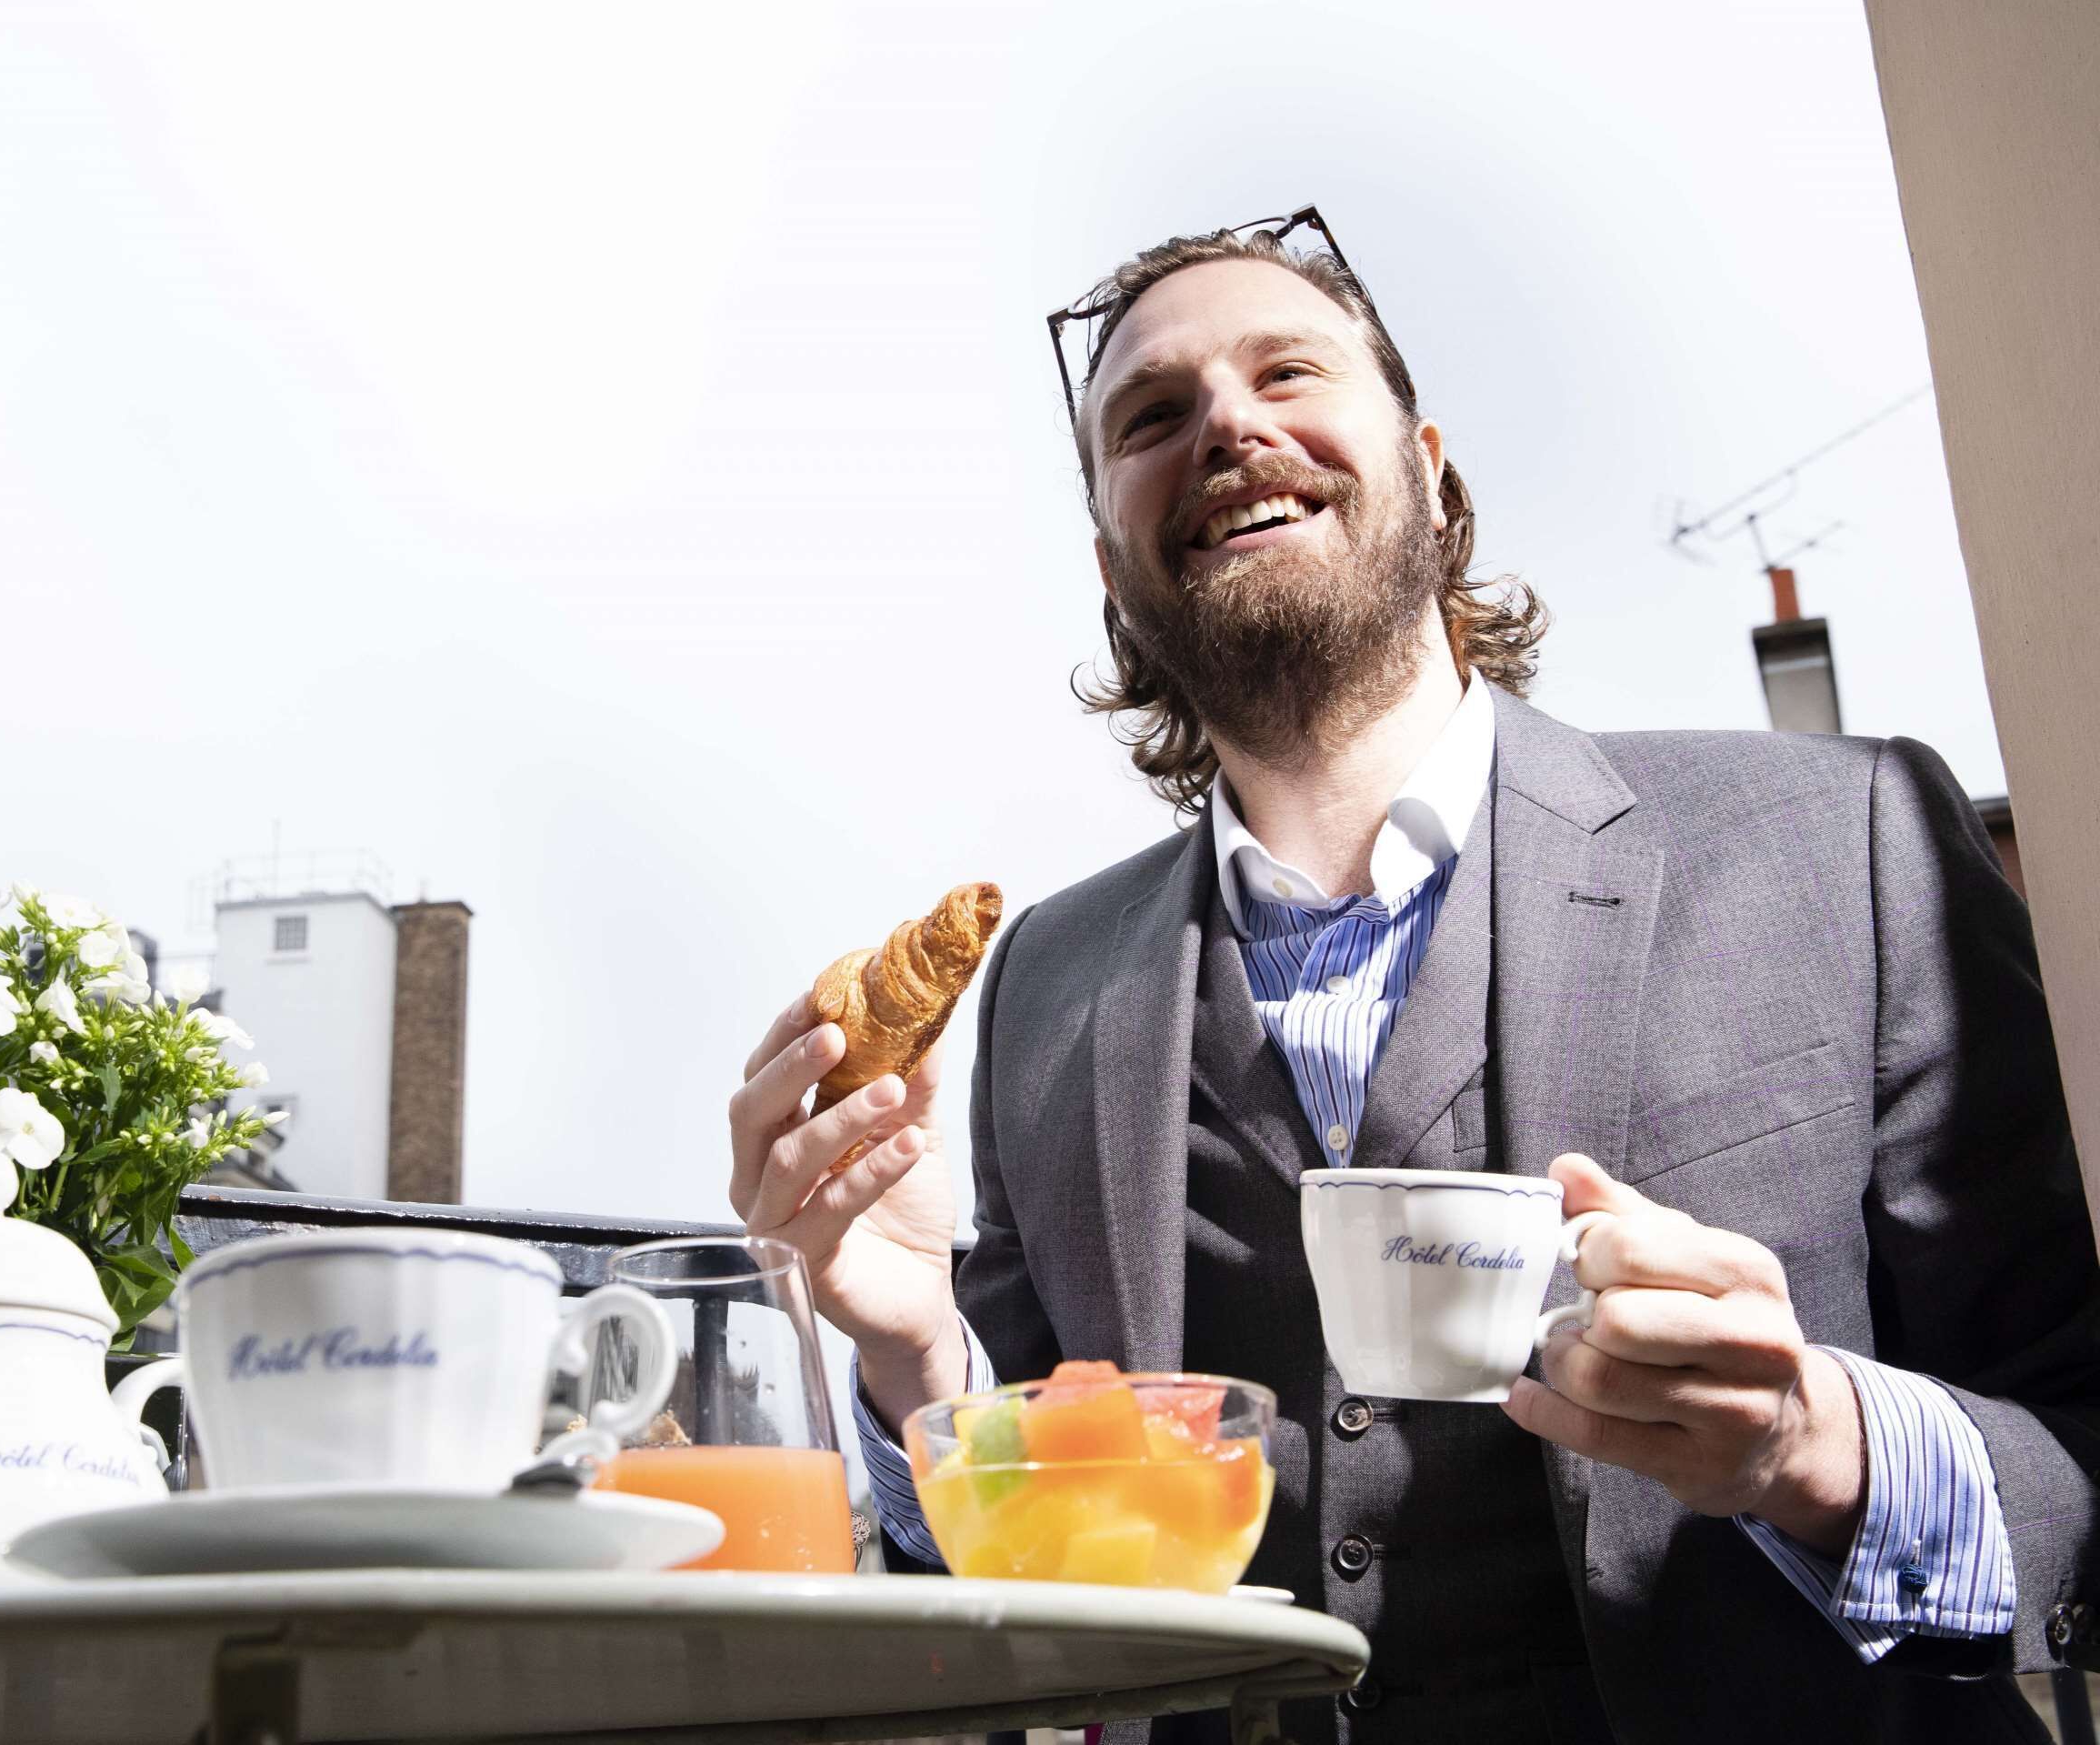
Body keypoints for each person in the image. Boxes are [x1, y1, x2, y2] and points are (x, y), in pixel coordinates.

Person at [726, 216, 2100, 1744]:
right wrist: (915, 1350)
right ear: (1115, 570)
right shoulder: (1046, 989)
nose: (1231, 427)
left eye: (1286, 370)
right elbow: (1039, 1585)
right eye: (1154, 418)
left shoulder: (1847, 840)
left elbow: (2081, 1458)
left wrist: (1815, 1443)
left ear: (1432, 472)